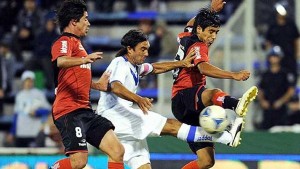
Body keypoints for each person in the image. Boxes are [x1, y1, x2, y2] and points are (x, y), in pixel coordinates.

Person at [96, 29, 245, 169]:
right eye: (142, 49)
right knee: (172, 126)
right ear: (130, 49)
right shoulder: (120, 63)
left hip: (122, 121)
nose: (146, 53)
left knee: (142, 164)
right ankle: (225, 136)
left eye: (147, 49)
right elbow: (115, 86)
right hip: (114, 115)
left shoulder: (135, 67)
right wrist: (138, 99)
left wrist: (181, 63)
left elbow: (156, 68)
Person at [171, 8, 258, 169]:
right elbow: (203, 68)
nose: (213, 37)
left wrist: (211, 9)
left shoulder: (187, 35)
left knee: (206, 161)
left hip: (187, 107)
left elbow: (191, 23)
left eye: (216, 32)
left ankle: (228, 128)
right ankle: (236, 105)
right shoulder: (198, 45)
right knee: (213, 93)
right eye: (211, 32)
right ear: (199, 30)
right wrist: (233, 75)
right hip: (184, 97)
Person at [49, 1, 124, 169]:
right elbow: (60, 61)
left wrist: (98, 85)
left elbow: (76, 78)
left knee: (117, 151)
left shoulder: (79, 45)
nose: (88, 23)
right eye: (85, 18)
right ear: (74, 21)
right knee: (79, 162)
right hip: (68, 111)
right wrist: (84, 59)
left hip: (85, 111)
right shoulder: (64, 41)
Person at [8, 70, 51, 147]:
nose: (28, 83)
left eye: (30, 81)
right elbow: (16, 115)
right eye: (26, 81)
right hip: (21, 132)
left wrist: (37, 112)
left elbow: (48, 110)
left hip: (34, 132)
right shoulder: (19, 96)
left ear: (33, 82)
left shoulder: (39, 94)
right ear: (23, 82)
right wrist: (12, 132)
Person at [257, 46, 295, 130]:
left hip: (281, 109)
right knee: (265, 131)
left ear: (280, 58)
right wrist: (262, 101)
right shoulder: (265, 74)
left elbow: (290, 90)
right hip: (268, 108)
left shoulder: (285, 74)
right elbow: (260, 89)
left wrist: (281, 101)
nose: (274, 58)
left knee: (281, 131)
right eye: (272, 56)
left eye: (276, 56)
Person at [264, 1, 300, 86]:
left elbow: (296, 39)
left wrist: (297, 52)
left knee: (291, 77)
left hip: (289, 56)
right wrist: (269, 54)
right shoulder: (272, 25)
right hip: (277, 57)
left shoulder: (291, 24)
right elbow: (268, 41)